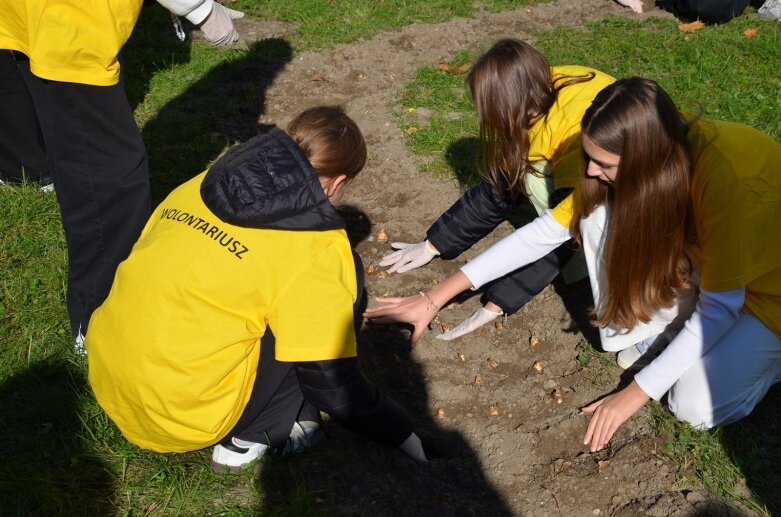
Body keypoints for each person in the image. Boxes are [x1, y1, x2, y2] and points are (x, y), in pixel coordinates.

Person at [365, 77, 781, 453]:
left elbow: (723, 305)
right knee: (595, 212)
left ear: (648, 158)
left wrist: (631, 396)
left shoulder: (730, 181)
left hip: (767, 293)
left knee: (689, 405)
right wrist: (433, 298)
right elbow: (543, 233)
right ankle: (672, 327)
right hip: (712, 266)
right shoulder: (653, 150)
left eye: (605, 164)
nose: (589, 171)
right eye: (589, 156)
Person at [86, 106, 432, 473]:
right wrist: (401, 433)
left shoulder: (205, 182)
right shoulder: (318, 248)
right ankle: (253, 434)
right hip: (181, 416)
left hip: (108, 375)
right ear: (336, 182)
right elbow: (330, 382)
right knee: (333, 298)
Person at [0, 0, 243, 352]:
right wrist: (199, 8)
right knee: (111, 174)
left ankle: (23, 168)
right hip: (72, 18)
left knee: (22, 52)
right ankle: (100, 319)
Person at [379, 39, 614, 340]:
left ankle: (590, 263)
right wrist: (433, 244)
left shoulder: (575, 142)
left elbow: (552, 235)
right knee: (521, 170)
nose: (483, 118)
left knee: (538, 183)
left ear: (509, 107)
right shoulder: (537, 90)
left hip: (623, 199)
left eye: (488, 110)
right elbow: (498, 191)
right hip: (592, 173)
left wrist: (499, 301)